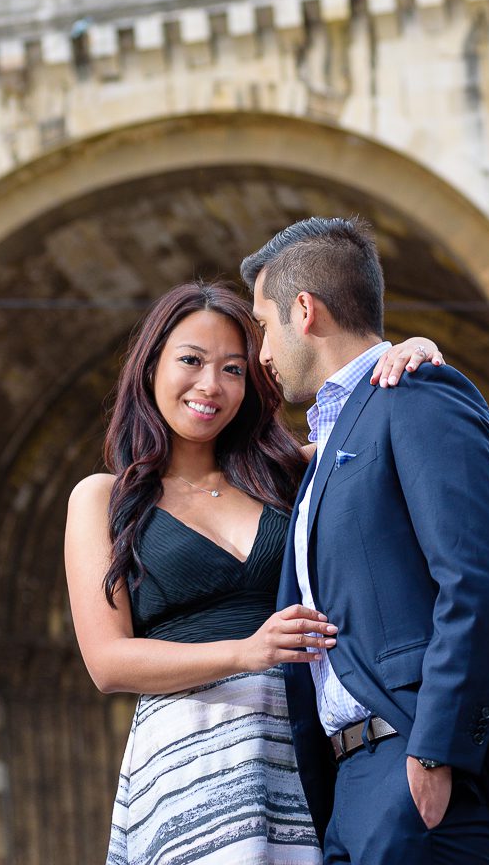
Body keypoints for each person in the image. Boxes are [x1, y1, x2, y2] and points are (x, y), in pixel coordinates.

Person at [64, 280, 442, 865]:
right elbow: (108, 663)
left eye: (234, 369)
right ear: (148, 368)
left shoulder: (289, 474)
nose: (210, 385)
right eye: (190, 360)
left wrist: (409, 351)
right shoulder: (102, 499)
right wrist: (248, 651)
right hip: (189, 757)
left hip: (301, 739)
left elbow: (373, 429)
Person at [241, 218, 489, 865]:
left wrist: (436, 749)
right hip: (349, 783)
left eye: (263, 324)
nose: (261, 353)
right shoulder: (335, 437)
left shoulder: (416, 395)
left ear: (305, 310)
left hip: (410, 756)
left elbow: (478, 580)